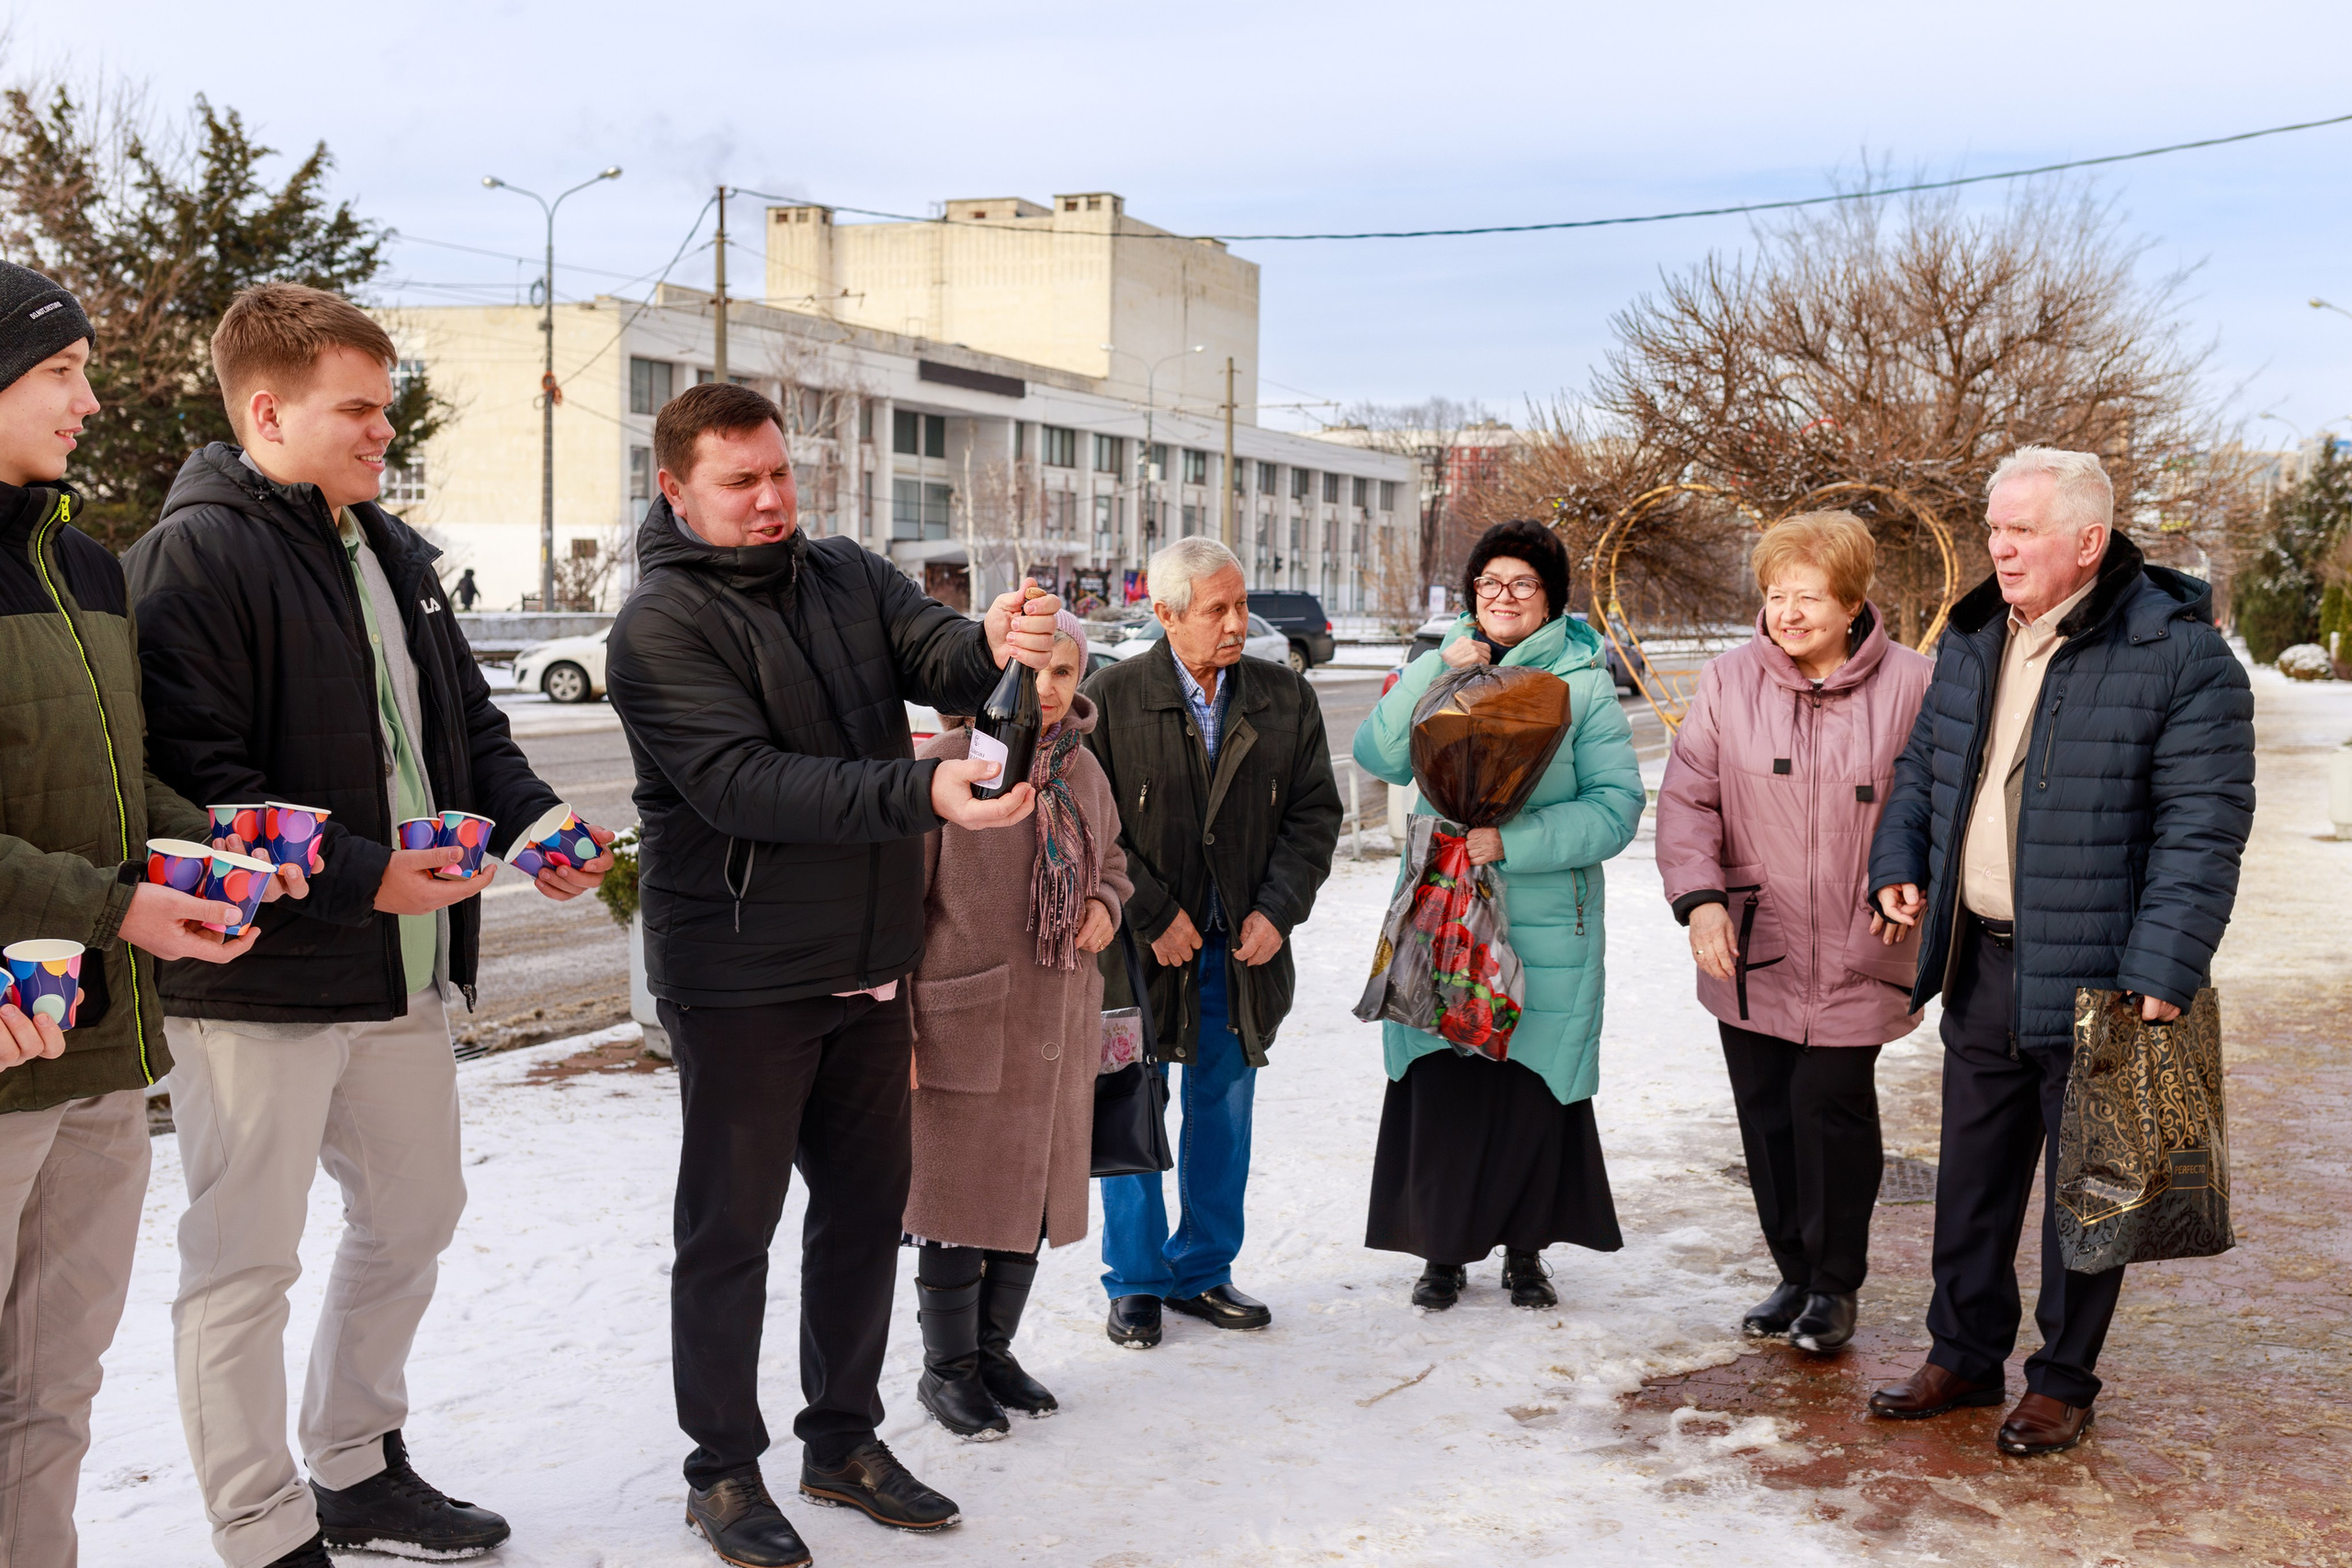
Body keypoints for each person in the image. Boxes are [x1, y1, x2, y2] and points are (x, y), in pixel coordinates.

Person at [123, 282, 611, 1568]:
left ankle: (353, 1461)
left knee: (415, 1211)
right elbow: (199, 785)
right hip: (261, 982)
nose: (382, 432)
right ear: (269, 408)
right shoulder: (197, 555)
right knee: (243, 1263)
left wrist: (534, 821)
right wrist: (363, 875)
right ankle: (261, 1523)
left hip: (399, 969)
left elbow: (467, 729)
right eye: (359, 409)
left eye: (386, 410)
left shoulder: (388, 547)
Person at [605, 380, 1063, 1568]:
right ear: (675, 488)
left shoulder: (848, 571)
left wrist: (997, 640)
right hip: (745, 975)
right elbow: (745, 781)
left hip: (867, 961)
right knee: (731, 1232)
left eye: (778, 472)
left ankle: (842, 1439)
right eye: (738, 481)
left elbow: (942, 655)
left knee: (864, 1216)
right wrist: (921, 792)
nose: (769, 499)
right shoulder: (658, 626)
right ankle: (720, 1469)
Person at [1866, 447, 2255, 1457]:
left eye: (2022, 529)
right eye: (1993, 527)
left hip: (2106, 978)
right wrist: (1900, 856)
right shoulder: (1974, 635)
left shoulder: (2178, 652)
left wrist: (2165, 963)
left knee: (2090, 1192)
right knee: (1971, 1181)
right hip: (1981, 960)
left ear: (2087, 542)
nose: (1998, 546)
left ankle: (2060, 1382)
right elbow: (1925, 765)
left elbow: (2201, 825)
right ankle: (1960, 1355)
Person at [0, 263, 291, 1568]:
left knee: (53, 1394)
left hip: (105, 1053)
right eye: (59, 371)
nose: (89, 397)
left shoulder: (85, 565)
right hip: (13, 1043)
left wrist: (214, 844)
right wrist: (124, 905)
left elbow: (126, 777)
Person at [1654, 513, 1933, 1352]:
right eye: (1777, 595)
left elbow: (1937, 803)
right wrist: (1700, 900)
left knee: (1831, 1107)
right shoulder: (1728, 682)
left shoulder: (1917, 685)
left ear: (1853, 601)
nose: (1788, 612)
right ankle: (1793, 1271)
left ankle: (1835, 1284)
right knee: (1768, 1110)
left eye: (1808, 595)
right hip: (1751, 939)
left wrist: (1913, 876)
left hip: (1862, 942)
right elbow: (1688, 800)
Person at [1351, 519, 1645, 1311]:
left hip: (1545, 919)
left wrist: (1512, 842)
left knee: (1529, 1087)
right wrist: (1430, 674)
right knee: (1444, 1076)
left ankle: (1526, 1251)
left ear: (1550, 598)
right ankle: (1440, 1250)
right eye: (1488, 583)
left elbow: (1616, 808)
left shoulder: (1583, 684)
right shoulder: (1436, 664)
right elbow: (1377, 755)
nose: (1502, 597)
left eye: (1521, 584)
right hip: (1442, 911)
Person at [1082, 537, 1341, 1348]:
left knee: (1222, 1113)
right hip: (1133, 952)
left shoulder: (1283, 697)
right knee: (1130, 1108)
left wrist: (1278, 908)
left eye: (1241, 605)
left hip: (1240, 950)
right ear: (1165, 614)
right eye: (1216, 609)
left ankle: (1203, 1268)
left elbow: (1313, 815)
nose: (1237, 623)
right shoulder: (1111, 697)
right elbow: (1092, 827)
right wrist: (1152, 913)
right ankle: (1135, 1281)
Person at [902, 612, 1132, 1438]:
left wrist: (1105, 904)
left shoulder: (1088, 773)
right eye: (1033, 669)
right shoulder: (948, 763)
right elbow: (901, 899)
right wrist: (902, 1031)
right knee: (963, 1202)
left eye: (1064, 672)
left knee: (1027, 1199)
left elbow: (1112, 860)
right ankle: (947, 1370)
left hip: (1055, 1017)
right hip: (966, 1013)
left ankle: (994, 1352)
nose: (1047, 689)